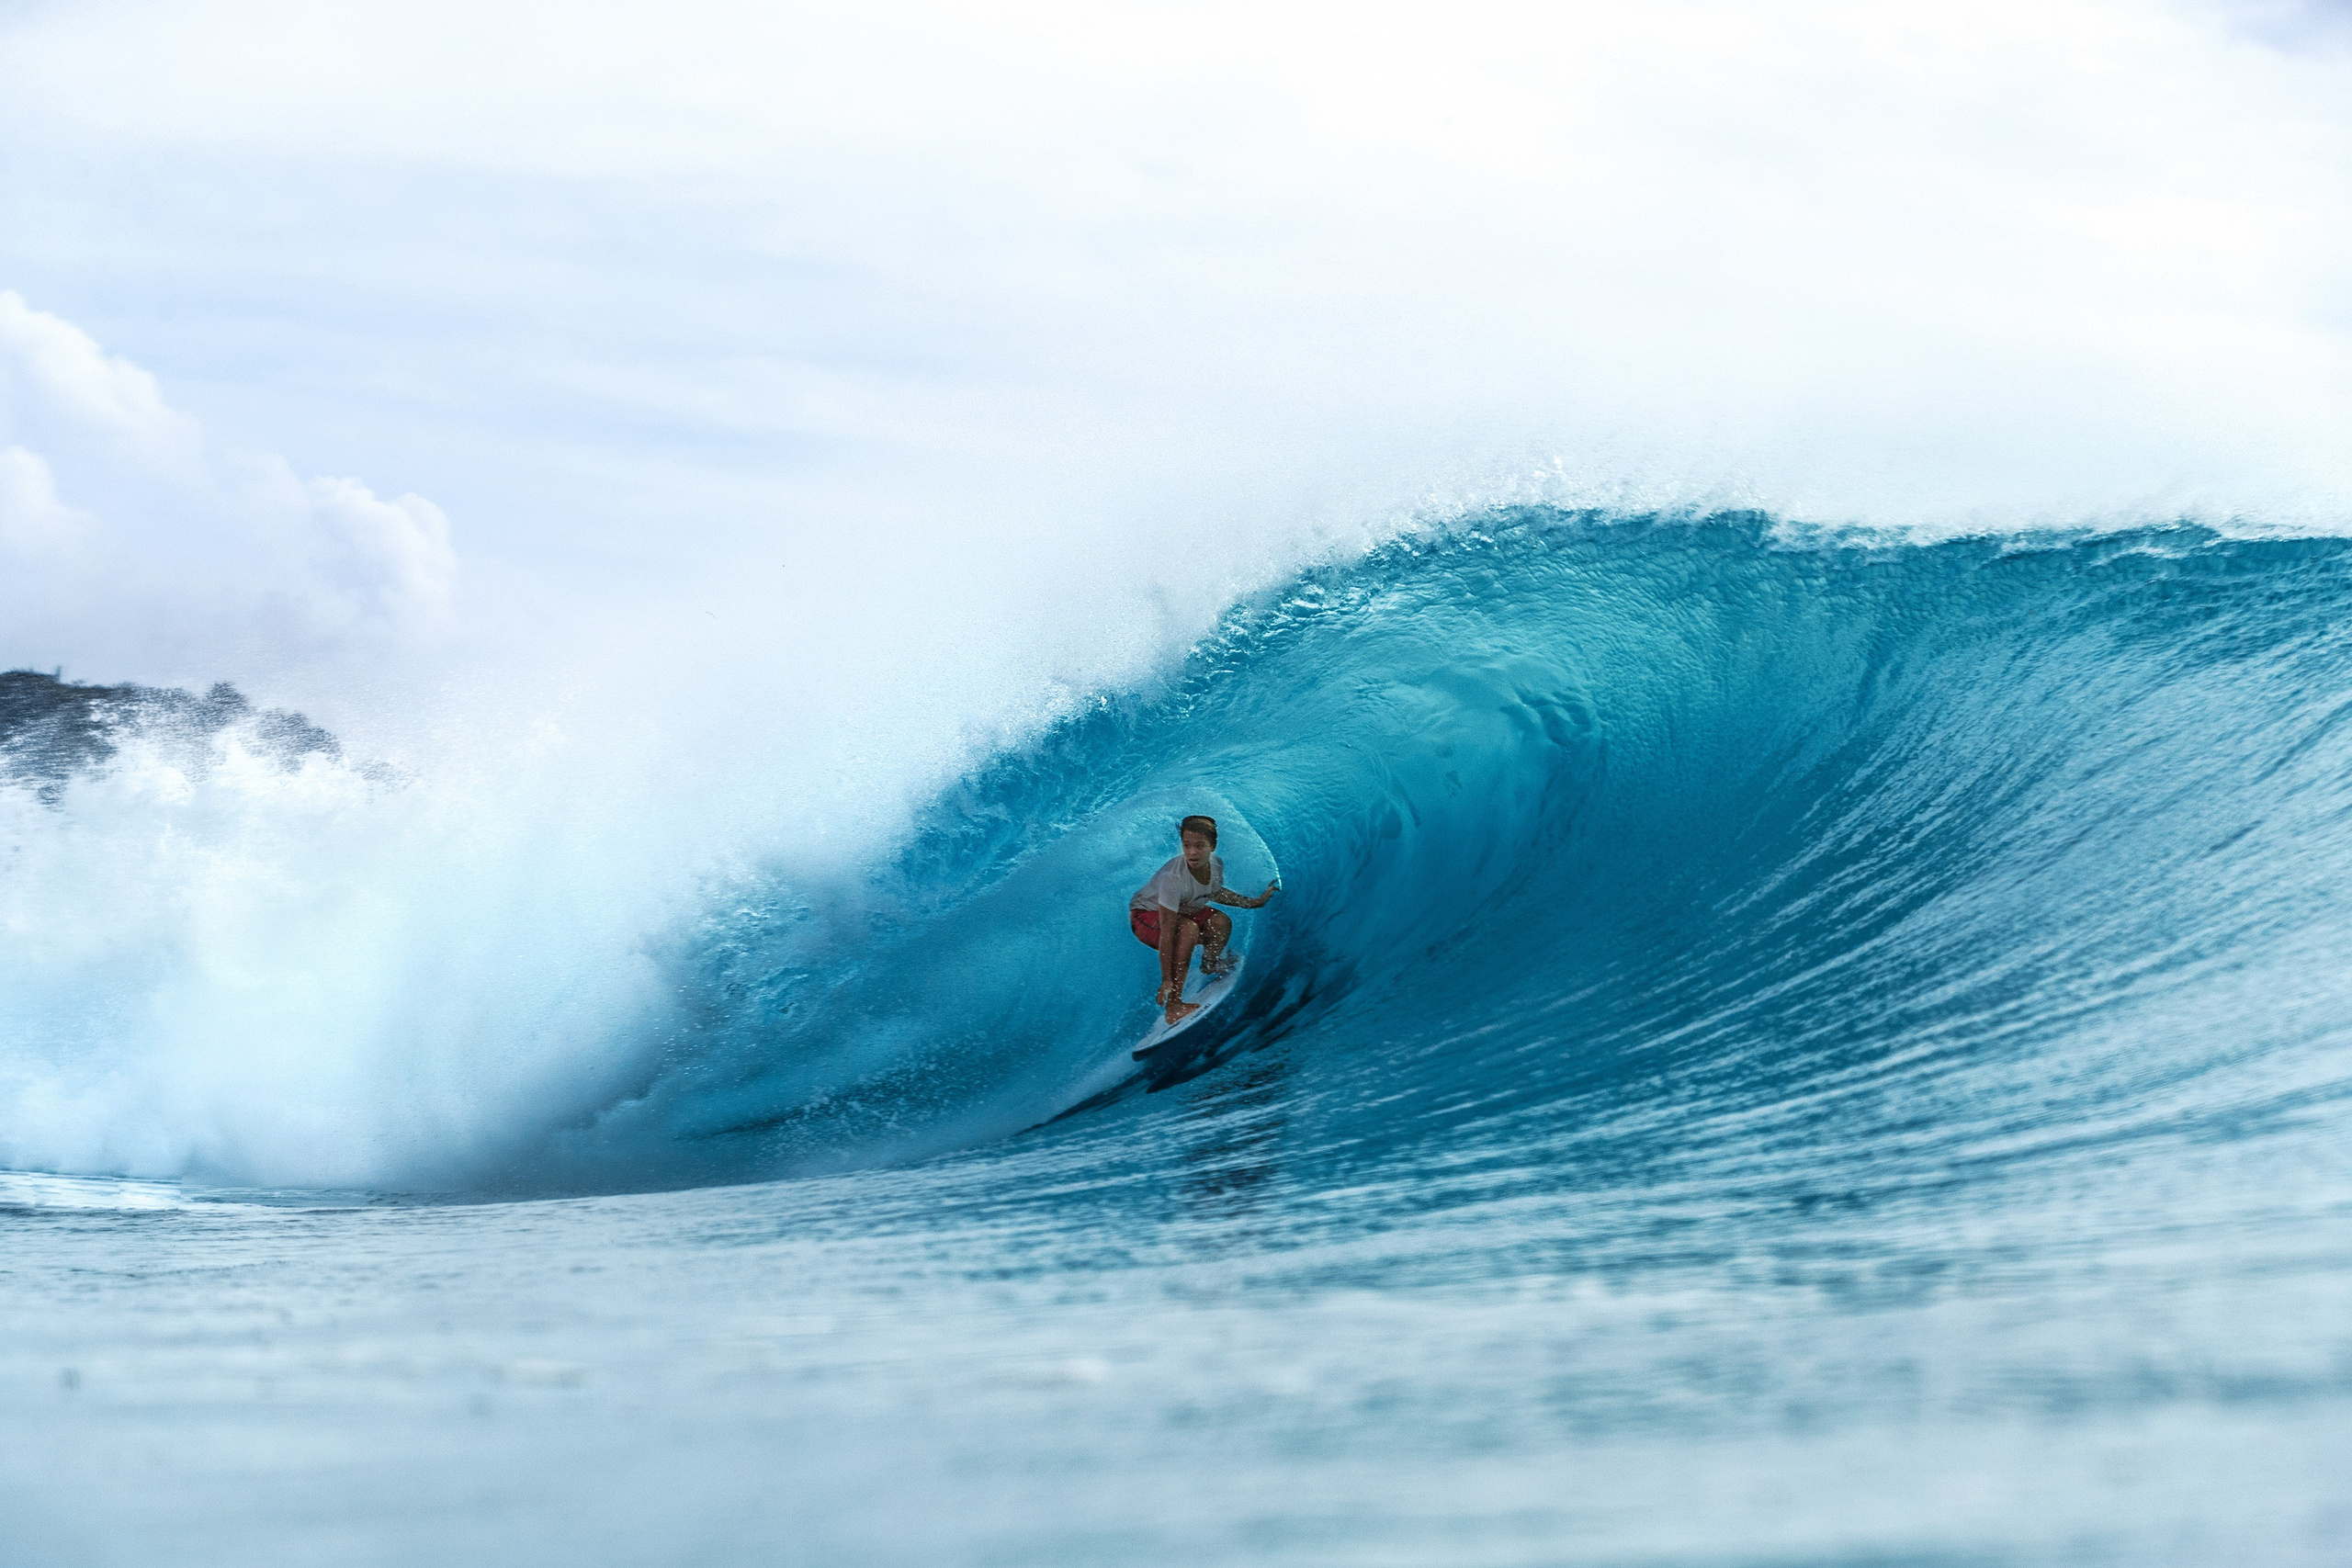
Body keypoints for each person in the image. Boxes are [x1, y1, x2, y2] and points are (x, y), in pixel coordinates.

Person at [1129, 814, 1278, 1025]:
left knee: (1220, 923)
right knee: (1188, 929)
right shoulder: (1173, 879)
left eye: (1200, 846)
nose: (1192, 852)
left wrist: (1253, 902)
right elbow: (1168, 933)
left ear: (1213, 846)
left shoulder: (1216, 865)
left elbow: (1214, 892)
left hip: (1181, 910)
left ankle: (1210, 963)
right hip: (1145, 916)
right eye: (1187, 845)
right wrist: (1166, 979)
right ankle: (1174, 1006)